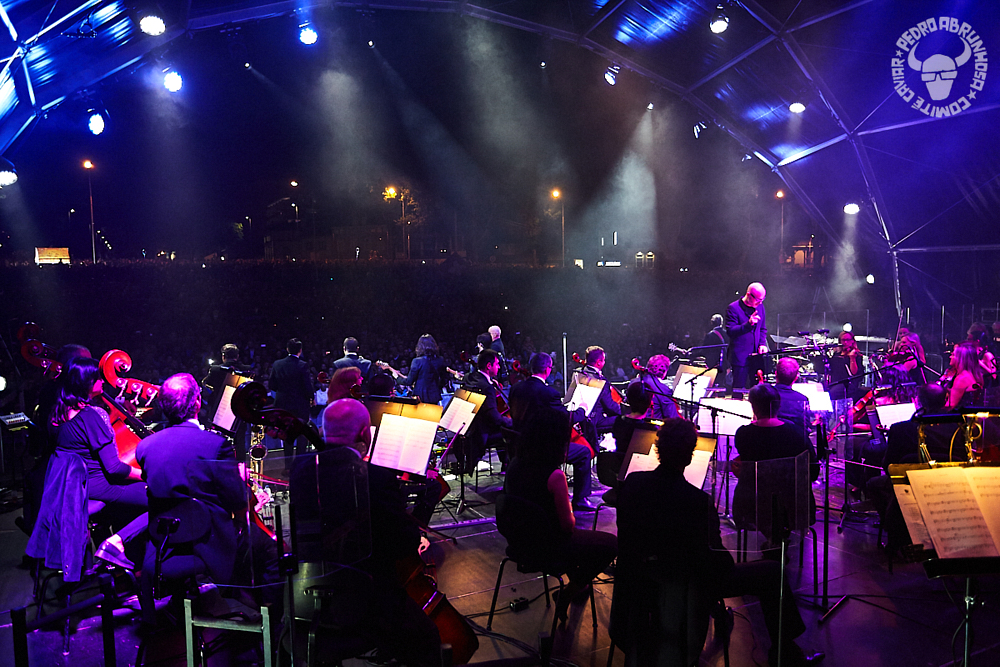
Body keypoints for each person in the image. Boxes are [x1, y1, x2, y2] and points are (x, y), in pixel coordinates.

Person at [614, 418, 824, 667]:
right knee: (770, 572)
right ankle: (786, 653)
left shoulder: (632, 484)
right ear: (690, 456)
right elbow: (716, 562)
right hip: (687, 585)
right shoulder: (697, 501)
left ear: (657, 449)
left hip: (636, 586)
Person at [291, 398, 442, 666]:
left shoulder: (301, 472)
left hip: (307, 597)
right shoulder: (376, 477)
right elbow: (400, 543)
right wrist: (416, 535)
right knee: (428, 638)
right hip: (364, 601)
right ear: (365, 434)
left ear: (324, 431)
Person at [136, 373, 250, 624]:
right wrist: (240, 480)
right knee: (264, 547)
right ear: (197, 403)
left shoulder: (145, 447)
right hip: (208, 543)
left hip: (163, 544)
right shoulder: (215, 445)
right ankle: (262, 620)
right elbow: (236, 501)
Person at [501, 407, 617, 621]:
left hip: (518, 542)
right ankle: (567, 593)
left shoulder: (515, 464)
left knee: (580, 542)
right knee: (610, 544)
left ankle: (579, 587)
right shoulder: (555, 476)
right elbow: (568, 526)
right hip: (546, 547)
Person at [50, 357, 148, 570]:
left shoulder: (60, 412)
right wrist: (147, 475)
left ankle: (125, 567)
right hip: (98, 487)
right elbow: (114, 469)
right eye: (97, 378)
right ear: (86, 382)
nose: (103, 382)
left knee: (131, 505)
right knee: (163, 496)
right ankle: (117, 543)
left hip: (73, 487)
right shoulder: (93, 415)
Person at [508, 352, 596, 510]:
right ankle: (580, 499)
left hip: (520, 442)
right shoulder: (549, 393)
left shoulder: (516, 388)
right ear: (548, 369)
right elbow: (566, 419)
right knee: (583, 453)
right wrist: (582, 410)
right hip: (542, 448)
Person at [733, 383, 816, 531]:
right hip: (792, 507)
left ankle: (771, 543)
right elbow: (813, 471)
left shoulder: (743, 434)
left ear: (755, 407)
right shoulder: (797, 433)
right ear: (778, 405)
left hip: (753, 507)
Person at [460, 349, 512, 475]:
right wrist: (511, 421)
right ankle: (510, 469)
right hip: (482, 433)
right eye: (497, 364)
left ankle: (505, 465)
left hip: (470, 430)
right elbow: (494, 418)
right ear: (489, 366)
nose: (499, 367)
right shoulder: (487, 387)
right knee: (512, 432)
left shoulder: (470, 378)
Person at [268, 338, 314, 457]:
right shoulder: (302, 365)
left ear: (287, 349)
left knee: (286, 433)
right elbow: (307, 385)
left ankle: (288, 466)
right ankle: (300, 462)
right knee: (302, 435)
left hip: (283, 405)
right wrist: (311, 398)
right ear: (300, 350)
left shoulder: (277, 364)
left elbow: (272, 385)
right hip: (300, 405)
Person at [383, 334, 449, 405]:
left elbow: (409, 381)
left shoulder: (417, 361)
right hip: (434, 396)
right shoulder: (440, 360)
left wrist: (396, 377)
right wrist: (436, 387)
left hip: (420, 397)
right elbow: (445, 379)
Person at [726, 282, 768, 391]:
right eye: (758, 300)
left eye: (762, 300)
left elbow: (762, 328)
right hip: (740, 358)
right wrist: (748, 325)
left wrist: (762, 343)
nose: (760, 303)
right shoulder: (733, 308)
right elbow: (731, 331)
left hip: (756, 357)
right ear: (749, 295)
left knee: (758, 391)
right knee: (738, 391)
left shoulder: (760, 307)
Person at [576, 345, 622, 435]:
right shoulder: (599, 381)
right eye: (604, 360)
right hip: (596, 421)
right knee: (624, 420)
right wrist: (625, 412)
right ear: (598, 362)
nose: (604, 362)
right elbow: (610, 407)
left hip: (582, 418)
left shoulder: (580, 373)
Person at [774, 358, 811, 444]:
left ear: (776, 374)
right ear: (796, 378)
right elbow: (805, 426)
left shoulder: (767, 394)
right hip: (795, 444)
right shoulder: (802, 399)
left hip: (770, 442)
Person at [941, 341, 983, 409]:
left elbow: (950, 406)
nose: (950, 357)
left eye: (953, 355)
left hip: (958, 418)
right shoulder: (969, 375)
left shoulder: (962, 378)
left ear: (961, 358)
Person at [641, 354, 679, 421]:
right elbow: (672, 417)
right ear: (664, 371)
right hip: (653, 428)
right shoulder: (664, 390)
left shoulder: (634, 382)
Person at [827, 330, 863, 401]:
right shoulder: (836, 355)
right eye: (843, 340)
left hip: (848, 385)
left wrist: (852, 358)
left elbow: (854, 373)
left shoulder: (856, 355)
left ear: (852, 341)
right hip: (835, 383)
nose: (845, 342)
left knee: (833, 393)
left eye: (847, 340)